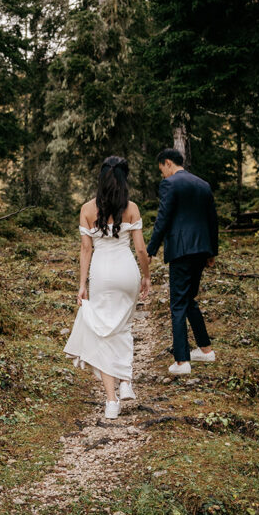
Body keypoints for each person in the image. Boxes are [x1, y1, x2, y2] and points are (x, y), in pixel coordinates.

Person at [63, 156, 151, 419]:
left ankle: (111, 401)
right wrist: (146, 276)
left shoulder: (88, 209)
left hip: (101, 273)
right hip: (126, 270)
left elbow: (85, 249)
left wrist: (82, 284)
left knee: (103, 332)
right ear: (125, 179)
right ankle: (126, 381)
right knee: (124, 327)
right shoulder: (132, 207)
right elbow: (140, 249)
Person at [146, 147, 218, 376]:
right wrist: (211, 252)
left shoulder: (171, 184)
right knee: (188, 300)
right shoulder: (203, 184)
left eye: (162, 170)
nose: (162, 176)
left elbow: (163, 217)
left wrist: (151, 248)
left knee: (177, 303)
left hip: (181, 250)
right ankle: (206, 350)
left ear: (168, 163)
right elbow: (212, 220)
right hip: (201, 249)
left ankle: (181, 361)